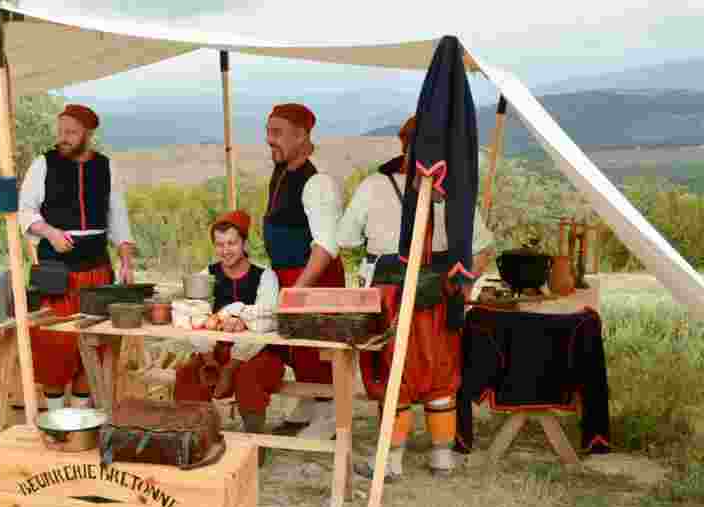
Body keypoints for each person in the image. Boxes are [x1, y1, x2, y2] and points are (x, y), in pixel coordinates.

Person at [336, 115, 495, 480]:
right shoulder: (454, 191)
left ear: (404, 146)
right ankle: (442, 458)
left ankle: (390, 463)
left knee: (394, 374)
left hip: (390, 295)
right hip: (442, 294)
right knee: (441, 373)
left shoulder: (375, 186)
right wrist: (465, 282)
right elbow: (484, 248)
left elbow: (345, 240)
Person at [18, 103, 135, 410]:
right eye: (61, 132)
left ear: (88, 134)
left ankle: (82, 417)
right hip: (55, 270)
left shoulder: (106, 166)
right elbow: (26, 210)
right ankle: (56, 418)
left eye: (71, 133)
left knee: (93, 341)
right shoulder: (43, 164)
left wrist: (125, 261)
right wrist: (50, 233)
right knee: (54, 343)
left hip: (96, 269)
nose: (64, 138)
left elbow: (118, 217)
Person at [173, 210, 284, 465]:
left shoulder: (265, 276)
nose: (226, 250)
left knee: (248, 377)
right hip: (214, 352)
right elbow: (196, 318)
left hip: (260, 354)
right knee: (187, 375)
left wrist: (230, 367)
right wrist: (210, 360)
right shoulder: (206, 275)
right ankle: (195, 440)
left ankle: (254, 446)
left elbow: (266, 321)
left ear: (244, 243)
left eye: (232, 243)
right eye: (220, 244)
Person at [262, 103, 346, 439]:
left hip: (313, 277)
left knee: (316, 345)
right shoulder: (282, 169)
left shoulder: (318, 182)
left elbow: (325, 246)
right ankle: (310, 402)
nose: (270, 140)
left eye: (277, 133)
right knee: (297, 347)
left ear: (302, 136)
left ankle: (328, 416)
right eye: (268, 132)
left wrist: (298, 291)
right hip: (289, 274)